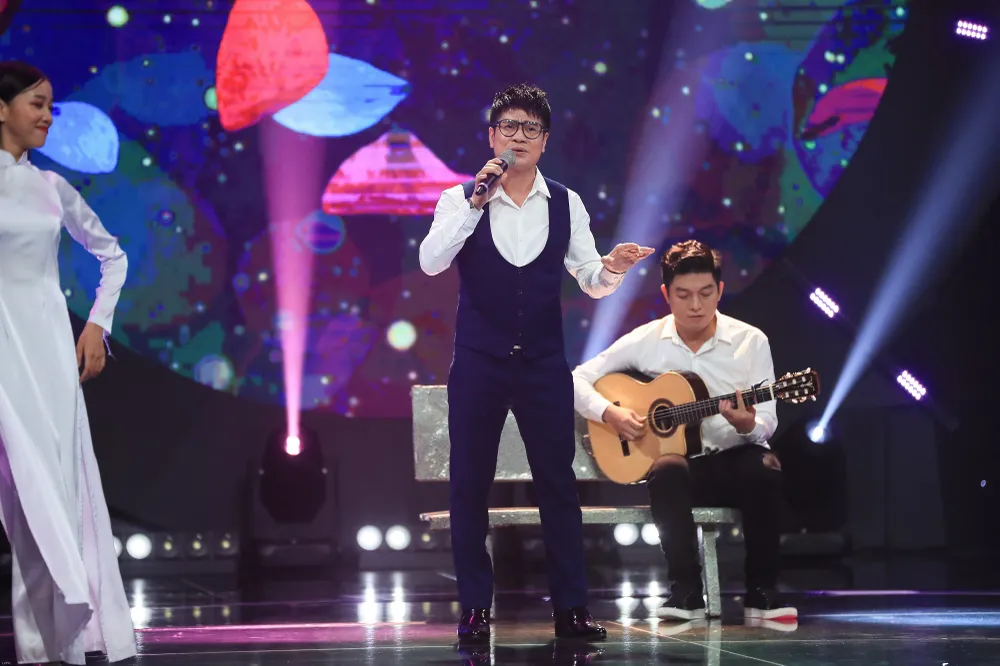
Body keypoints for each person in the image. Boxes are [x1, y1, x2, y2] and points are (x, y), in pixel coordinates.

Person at [419, 83, 654, 641]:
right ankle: (474, 610)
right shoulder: (460, 198)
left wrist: (612, 268)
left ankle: (572, 609)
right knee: (469, 486)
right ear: (491, 135)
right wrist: (475, 205)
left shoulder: (567, 203)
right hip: (479, 360)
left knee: (557, 485)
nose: (518, 136)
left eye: (530, 128)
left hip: (544, 361)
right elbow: (430, 262)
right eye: (508, 126)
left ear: (545, 141)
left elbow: (590, 279)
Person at [572, 240, 797, 623]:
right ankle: (686, 593)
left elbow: (767, 420)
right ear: (666, 294)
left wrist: (748, 424)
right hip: (682, 474)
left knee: (764, 467)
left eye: (706, 293)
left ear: (720, 290)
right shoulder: (647, 340)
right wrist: (610, 413)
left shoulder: (750, 341)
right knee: (667, 469)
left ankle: (762, 593)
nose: (696, 305)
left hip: (733, 463)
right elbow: (577, 379)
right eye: (684, 294)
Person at [0, 61, 136, 664]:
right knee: (23, 491)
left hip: (48, 352)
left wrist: (97, 324)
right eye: (36, 103)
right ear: (1, 109)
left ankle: (58, 643)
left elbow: (113, 255)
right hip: (4, 349)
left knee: (54, 490)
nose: (48, 116)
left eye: (50, 105)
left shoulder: (52, 188)